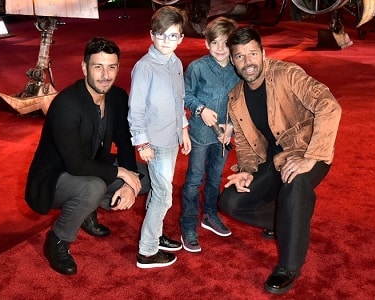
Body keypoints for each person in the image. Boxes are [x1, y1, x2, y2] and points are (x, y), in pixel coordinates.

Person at [218, 27, 341, 294]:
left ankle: (288, 266)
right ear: (232, 60)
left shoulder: (287, 74)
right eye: (239, 56)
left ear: (263, 53)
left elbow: (329, 106)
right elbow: (247, 147)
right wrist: (248, 171)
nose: (247, 62)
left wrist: (311, 157)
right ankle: (290, 218)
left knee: (294, 181)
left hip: (307, 152)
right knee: (230, 201)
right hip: (275, 160)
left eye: (252, 53)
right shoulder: (236, 99)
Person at [25, 37, 150, 275]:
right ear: (84, 68)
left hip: (93, 166)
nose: (105, 75)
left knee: (147, 175)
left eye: (111, 67)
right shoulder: (66, 104)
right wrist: (121, 173)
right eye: (98, 66)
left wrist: (129, 183)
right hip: (56, 177)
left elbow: (124, 142)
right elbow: (75, 164)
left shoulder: (117, 97)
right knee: (92, 187)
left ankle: (87, 210)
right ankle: (58, 240)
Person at [128, 6, 191, 269]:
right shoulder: (145, 67)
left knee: (160, 191)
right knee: (163, 195)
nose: (167, 40)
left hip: (171, 137)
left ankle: (156, 235)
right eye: (162, 35)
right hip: (154, 141)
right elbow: (136, 109)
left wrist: (184, 129)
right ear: (152, 35)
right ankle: (147, 251)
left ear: (181, 38)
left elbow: (179, 100)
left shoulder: (175, 62)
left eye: (173, 35)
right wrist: (141, 143)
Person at [180, 16, 239, 252]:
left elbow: (239, 102)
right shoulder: (197, 67)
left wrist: (232, 126)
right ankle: (188, 224)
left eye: (226, 43)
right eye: (215, 43)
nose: (220, 49)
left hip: (224, 136)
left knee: (215, 177)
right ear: (206, 43)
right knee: (194, 179)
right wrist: (200, 109)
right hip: (199, 134)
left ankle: (210, 215)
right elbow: (184, 94)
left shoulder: (237, 69)